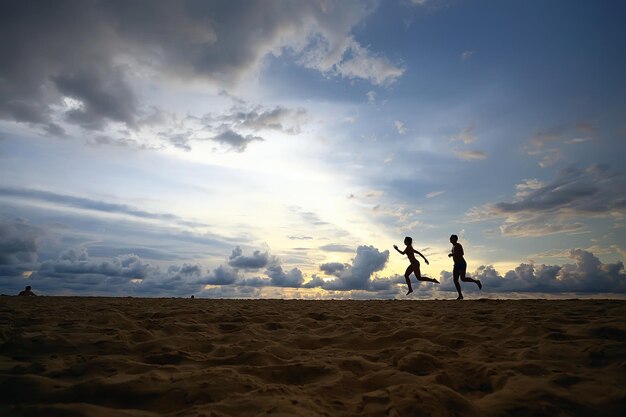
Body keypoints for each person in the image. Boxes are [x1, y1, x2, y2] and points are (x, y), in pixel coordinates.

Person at [448, 234, 481, 300]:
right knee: (455, 280)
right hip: (456, 264)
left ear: (455, 239)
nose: (450, 239)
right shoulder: (453, 247)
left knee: (463, 278)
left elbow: (462, 254)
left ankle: (476, 281)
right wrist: (453, 255)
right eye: (450, 238)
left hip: (461, 263)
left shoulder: (458, 245)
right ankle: (460, 295)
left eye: (452, 238)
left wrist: (453, 254)